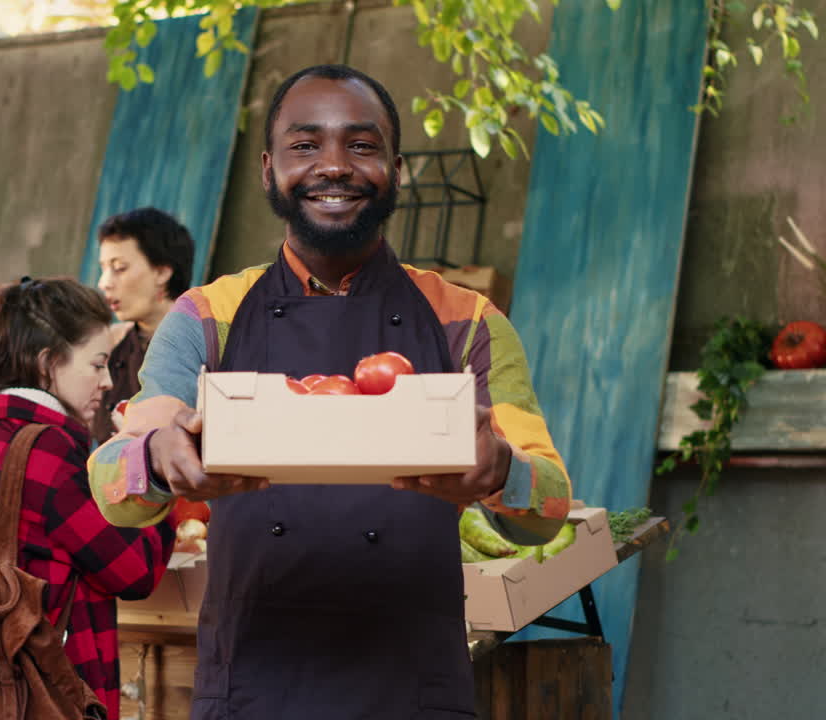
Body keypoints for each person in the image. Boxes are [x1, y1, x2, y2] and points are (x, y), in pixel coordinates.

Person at [88, 65, 573, 718]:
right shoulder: (207, 316)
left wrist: (503, 470)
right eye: (306, 145)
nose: (335, 166)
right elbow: (112, 484)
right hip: (250, 694)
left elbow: (548, 508)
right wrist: (157, 457)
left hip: (414, 696)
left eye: (363, 145)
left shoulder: (467, 321)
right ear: (268, 170)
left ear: (397, 170)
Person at [0, 276, 175, 718]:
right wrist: (150, 460)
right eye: (96, 365)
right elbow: (135, 571)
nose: (108, 382)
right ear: (47, 364)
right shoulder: (49, 454)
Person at [93, 207, 195, 442]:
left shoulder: (208, 343)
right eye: (103, 269)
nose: (104, 283)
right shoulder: (110, 346)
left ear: (161, 272)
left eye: (119, 268)